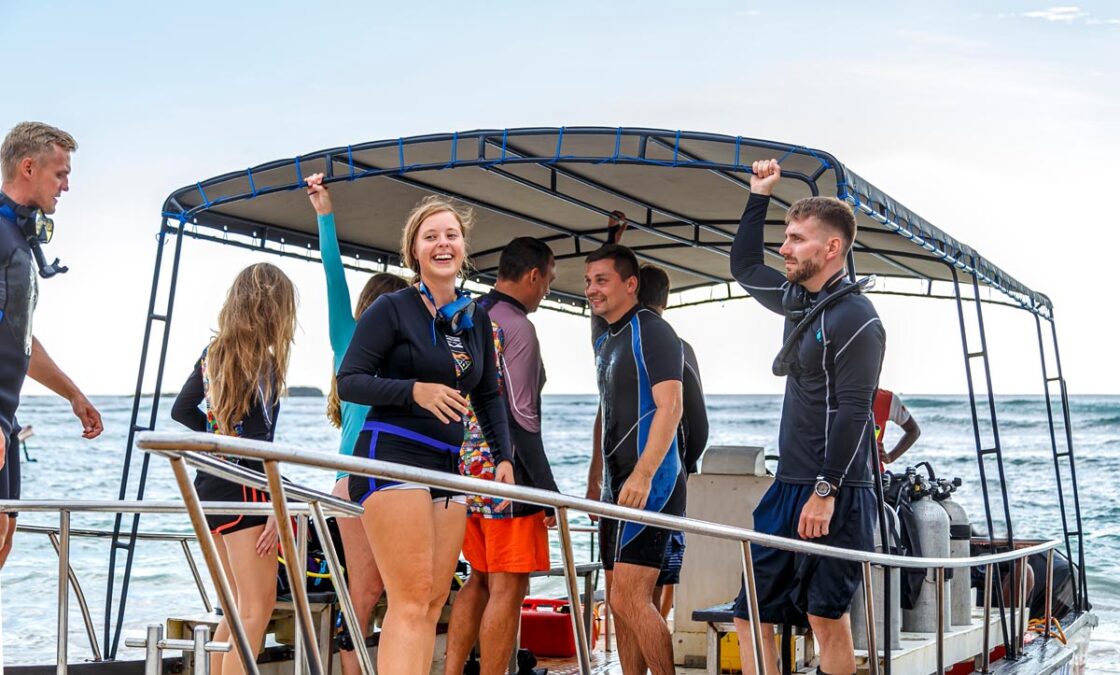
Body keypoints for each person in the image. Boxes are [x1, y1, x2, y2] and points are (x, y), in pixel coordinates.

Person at [336, 196, 515, 675]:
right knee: (410, 601)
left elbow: (490, 394)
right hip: (392, 456)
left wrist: (504, 457)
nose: (442, 243)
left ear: (463, 247)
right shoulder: (392, 309)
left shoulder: (474, 317)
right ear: (413, 249)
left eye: (451, 235)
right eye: (431, 236)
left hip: (449, 466)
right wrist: (414, 390)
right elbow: (349, 380)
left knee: (435, 603)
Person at [729, 159, 885, 675]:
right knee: (750, 611)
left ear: (831, 248)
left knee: (824, 617)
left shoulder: (857, 318)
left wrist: (825, 490)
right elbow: (746, 266)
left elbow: (854, 411)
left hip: (835, 489)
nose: (784, 248)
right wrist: (760, 195)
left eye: (796, 238)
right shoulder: (799, 301)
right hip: (789, 483)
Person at [171, 262, 297, 675]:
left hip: (208, 488)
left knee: (236, 607)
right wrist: (278, 508)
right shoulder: (264, 363)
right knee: (256, 609)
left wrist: (217, 433)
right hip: (247, 493)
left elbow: (181, 410)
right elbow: (262, 448)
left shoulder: (214, 353)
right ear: (274, 310)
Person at [305, 172, 407, 673]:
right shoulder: (351, 338)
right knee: (370, 590)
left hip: (371, 482)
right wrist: (325, 214)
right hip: (363, 483)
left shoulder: (406, 354)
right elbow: (332, 277)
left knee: (377, 590)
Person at [444, 237, 560, 675]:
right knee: (509, 586)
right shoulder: (519, 327)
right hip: (505, 475)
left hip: (462, 472)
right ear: (533, 276)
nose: (546, 291)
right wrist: (548, 490)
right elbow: (521, 418)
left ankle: (453, 671)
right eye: (547, 282)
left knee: (478, 577)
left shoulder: (468, 315)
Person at [0, 122, 103, 570]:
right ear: (28, 167)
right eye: (59, 174)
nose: (66, 185)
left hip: (7, 418)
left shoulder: (18, 238)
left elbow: (18, 335)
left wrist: (72, 394)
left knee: (3, 542)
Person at [583, 244, 684, 675]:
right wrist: (595, 475)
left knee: (629, 597)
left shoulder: (653, 330)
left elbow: (672, 406)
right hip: (616, 487)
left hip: (653, 483)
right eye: (588, 281)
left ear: (631, 285)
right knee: (617, 600)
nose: (591, 289)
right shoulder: (606, 337)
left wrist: (643, 474)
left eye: (601, 280)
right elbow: (606, 410)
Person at [635, 264, 709, 619]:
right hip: (669, 472)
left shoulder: (623, 340)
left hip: (629, 471)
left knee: (634, 569)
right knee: (664, 561)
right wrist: (687, 463)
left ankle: (650, 629)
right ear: (665, 298)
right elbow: (699, 420)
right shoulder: (679, 345)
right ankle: (659, 622)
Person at [873, 388, 920, 468]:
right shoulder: (844, 394)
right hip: (845, 474)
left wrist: (891, 457)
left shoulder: (886, 399)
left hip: (873, 475)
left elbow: (914, 430)